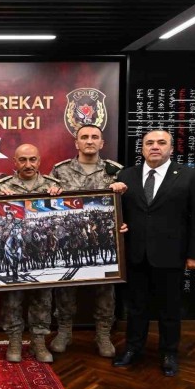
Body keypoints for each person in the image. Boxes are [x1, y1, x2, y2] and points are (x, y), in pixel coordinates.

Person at [112, 130, 195, 377]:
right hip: (135, 254)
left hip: (171, 255)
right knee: (136, 308)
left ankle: (169, 353)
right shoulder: (126, 176)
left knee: (169, 309)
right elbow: (119, 213)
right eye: (149, 143)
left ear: (171, 148)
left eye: (161, 142)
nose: (155, 146)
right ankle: (133, 349)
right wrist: (119, 223)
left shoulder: (190, 176)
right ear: (142, 148)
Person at [49, 124, 127, 357]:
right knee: (65, 285)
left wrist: (125, 218)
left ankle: (103, 334)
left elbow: (129, 206)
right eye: (84, 137)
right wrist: (51, 193)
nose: (89, 141)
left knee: (106, 289)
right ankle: (64, 331)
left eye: (94, 137)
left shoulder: (116, 171)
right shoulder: (60, 170)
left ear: (102, 143)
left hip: (105, 239)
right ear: (77, 143)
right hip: (72, 237)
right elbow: (49, 206)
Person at [0, 143, 60, 363]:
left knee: (43, 298)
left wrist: (59, 196)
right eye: (23, 160)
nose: (28, 164)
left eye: (32, 159)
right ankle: (14, 340)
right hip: (13, 241)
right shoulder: (1, 187)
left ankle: (39, 341)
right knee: (12, 298)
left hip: (37, 243)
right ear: (15, 162)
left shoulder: (54, 185)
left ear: (39, 161)